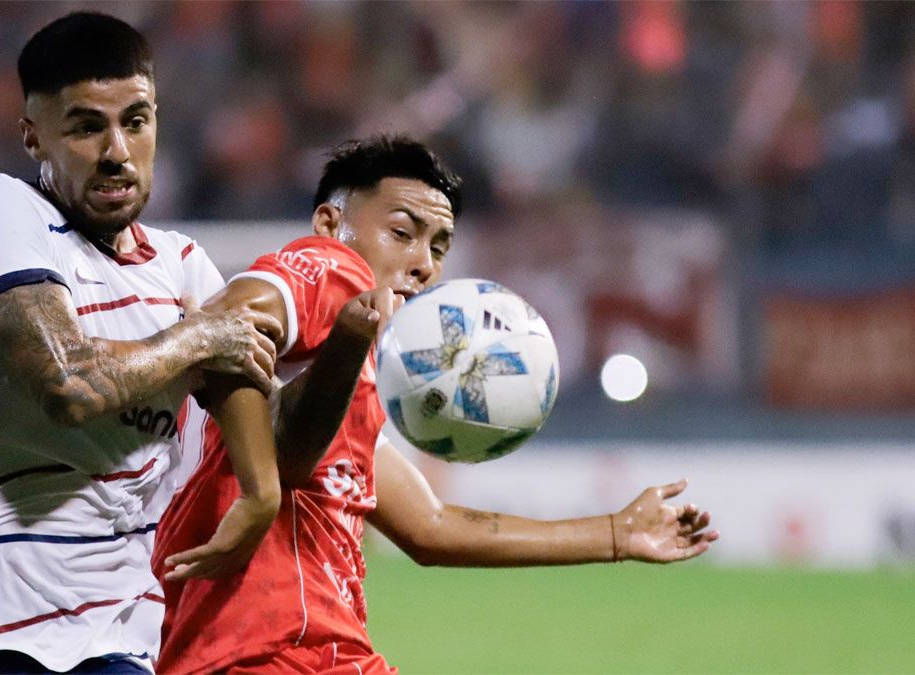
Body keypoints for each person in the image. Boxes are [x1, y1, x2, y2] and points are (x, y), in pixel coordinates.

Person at [0, 13, 284, 674]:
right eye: (87, 127)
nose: (117, 150)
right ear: (33, 135)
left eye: (136, 121)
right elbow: (69, 383)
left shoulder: (184, 270)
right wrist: (198, 337)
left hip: (102, 643)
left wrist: (352, 334)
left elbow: (278, 435)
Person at [151, 135, 720, 673]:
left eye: (438, 247)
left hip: (272, 651)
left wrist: (616, 533)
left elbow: (429, 525)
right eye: (402, 232)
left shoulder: (343, 381)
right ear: (329, 224)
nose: (423, 262)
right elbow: (229, 321)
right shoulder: (333, 267)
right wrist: (261, 490)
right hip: (276, 651)